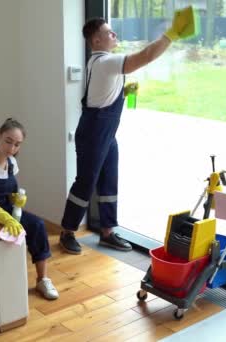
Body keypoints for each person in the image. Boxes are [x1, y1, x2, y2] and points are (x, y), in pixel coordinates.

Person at [59, 8, 196, 255]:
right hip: (93, 134)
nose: (114, 33)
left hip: (106, 135)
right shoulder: (105, 61)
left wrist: (122, 92)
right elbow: (145, 56)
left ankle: (107, 232)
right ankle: (67, 231)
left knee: (109, 180)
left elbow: (101, 95)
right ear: (96, 40)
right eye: (107, 32)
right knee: (86, 182)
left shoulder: (101, 63)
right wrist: (171, 34)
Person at [0, 118, 59, 300]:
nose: (12, 149)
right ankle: (7, 283)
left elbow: (10, 191)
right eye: (8, 141)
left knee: (38, 225)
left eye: (17, 145)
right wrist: (6, 218)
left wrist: (17, 199)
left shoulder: (11, 163)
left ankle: (42, 279)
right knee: (7, 236)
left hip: (6, 208)